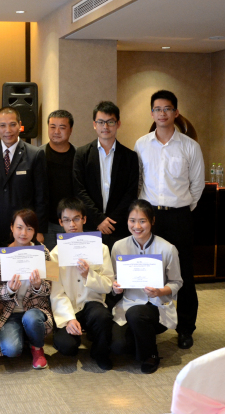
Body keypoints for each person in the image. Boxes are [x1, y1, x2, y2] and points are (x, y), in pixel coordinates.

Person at [134, 90, 205, 350]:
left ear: (176, 112)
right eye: (157, 109)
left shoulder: (190, 146)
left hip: (179, 216)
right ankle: (149, 324)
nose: (162, 113)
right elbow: (138, 181)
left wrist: (181, 209)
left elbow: (197, 186)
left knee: (183, 272)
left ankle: (185, 328)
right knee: (148, 270)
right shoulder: (141, 144)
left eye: (167, 109)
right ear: (151, 113)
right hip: (150, 217)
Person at [111, 199, 182, 373]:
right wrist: (115, 287)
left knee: (136, 314)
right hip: (128, 303)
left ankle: (151, 354)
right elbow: (113, 278)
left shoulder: (167, 248)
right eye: (132, 220)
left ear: (152, 221)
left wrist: (159, 291)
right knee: (118, 347)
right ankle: (140, 340)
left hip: (157, 306)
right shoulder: (119, 246)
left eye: (142, 221)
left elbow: (177, 282)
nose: (137, 226)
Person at [50, 197, 115, 370]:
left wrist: (88, 275)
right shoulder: (53, 255)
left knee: (103, 317)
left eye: (76, 219)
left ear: (84, 219)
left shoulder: (101, 248)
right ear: (60, 222)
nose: (72, 224)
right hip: (69, 307)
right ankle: (75, 334)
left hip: (92, 303)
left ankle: (100, 352)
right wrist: (69, 318)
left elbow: (108, 285)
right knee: (67, 347)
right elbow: (55, 293)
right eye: (66, 220)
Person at [0, 107, 48, 253]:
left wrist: (39, 230)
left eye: (12, 124)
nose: (8, 130)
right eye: (3, 125)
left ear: (20, 125)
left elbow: (41, 196)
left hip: (24, 231)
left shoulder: (35, 154)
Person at [0, 209, 53, 369]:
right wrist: (9, 290)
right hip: (10, 313)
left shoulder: (43, 252)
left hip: (35, 310)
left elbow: (50, 287)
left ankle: (37, 348)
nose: (23, 233)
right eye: (19, 227)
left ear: (35, 231)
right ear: (11, 227)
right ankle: (25, 336)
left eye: (29, 228)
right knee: (11, 350)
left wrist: (38, 286)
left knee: (31, 319)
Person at [73, 101, 139, 251]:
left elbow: (131, 193)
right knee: (90, 266)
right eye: (101, 122)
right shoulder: (82, 154)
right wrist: (99, 219)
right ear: (94, 124)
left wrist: (111, 220)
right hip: (90, 225)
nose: (105, 127)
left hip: (119, 227)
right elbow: (79, 190)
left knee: (117, 265)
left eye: (110, 122)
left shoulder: (130, 156)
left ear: (118, 124)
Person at [41, 110, 77, 251]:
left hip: (73, 223)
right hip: (47, 225)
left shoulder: (79, 156)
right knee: (50, 262)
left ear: (71, 130)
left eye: (62, 127)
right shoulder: (38, 155)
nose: (56, 131)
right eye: (52, 127)